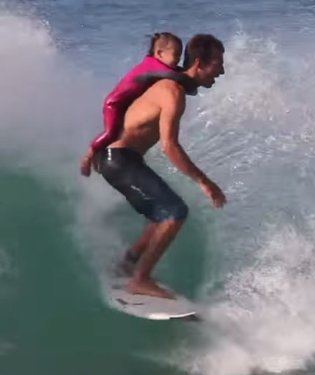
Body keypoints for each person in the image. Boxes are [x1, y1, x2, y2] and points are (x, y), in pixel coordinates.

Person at [92, 34, 227, 299]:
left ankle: (126, 267)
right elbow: (169, 146)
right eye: (218, 64)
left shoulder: (173, 86)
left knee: (159, 215)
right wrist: (204, 182)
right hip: (118, 159)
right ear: (198, 63)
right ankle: (140, 279)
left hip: (118, 159)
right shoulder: (172, 91)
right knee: (174, 212)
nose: (221, 71)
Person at [80, 32, 196, 177]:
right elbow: (175, 76)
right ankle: (89, 155)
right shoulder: (152, 65)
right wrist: (191, 78)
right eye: (176, 55)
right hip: (114, 104)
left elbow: (178, 77)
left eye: (180, 55)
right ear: (159, 53)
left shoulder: (157, 65)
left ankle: (101, 157)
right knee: (111, 133)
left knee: (122, 133)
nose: (178, 59)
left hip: (126, 104)